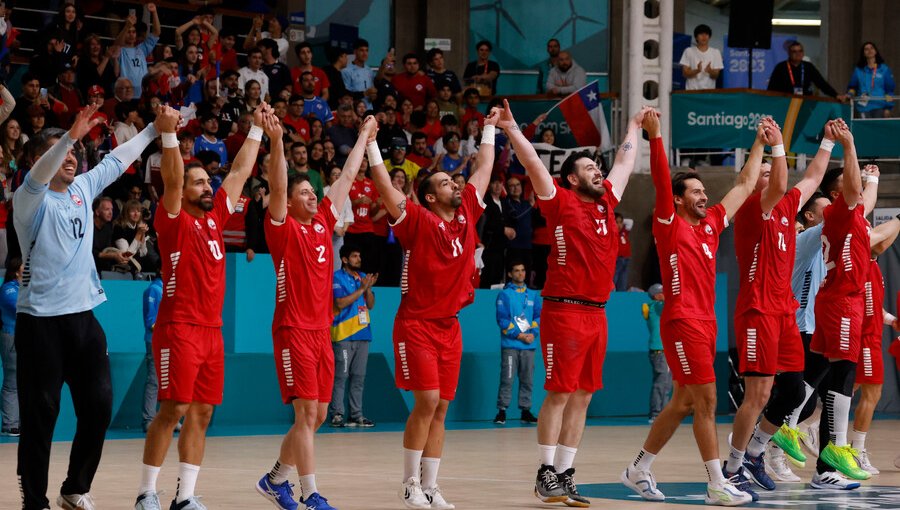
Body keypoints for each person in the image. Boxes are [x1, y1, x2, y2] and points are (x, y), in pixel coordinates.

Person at [500, 100, 646, 507]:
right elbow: (532, 165)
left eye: (597, 168)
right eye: (587, 168)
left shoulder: (606, 203)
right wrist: (513, 130)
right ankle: (545, 471)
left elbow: (625, 162)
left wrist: (634, 125)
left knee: (583, 395)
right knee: (561, 393)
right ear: (570, 177)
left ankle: (564, 473)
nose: (597, 171)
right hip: (563, 310)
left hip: (597, 313)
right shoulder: (559, 200)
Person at [13, 105, 159, 510]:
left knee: (98, 408)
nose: (72, 157)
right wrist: (68, 136)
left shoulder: (81, 189)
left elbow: (117, 159)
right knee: (40, 417)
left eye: (76, 151)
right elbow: (40, 174)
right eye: (64, 152)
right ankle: (35, 500)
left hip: (83, 319)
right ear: (40, 159)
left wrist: (152, 129)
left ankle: (74, 488)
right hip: (40, 323)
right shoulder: (28, 200)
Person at [621, 109, 761, 506]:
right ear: (680, 201)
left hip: (706, 322)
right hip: (682, 321)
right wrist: (657, 136)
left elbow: (747, 183)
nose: (704, 196)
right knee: (707, 401)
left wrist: (761, 144)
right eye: (696, 192)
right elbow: (664, 184)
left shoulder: (713, 223)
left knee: (682, 401)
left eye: (705, 191)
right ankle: (717, 482)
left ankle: (638, 469)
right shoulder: (670, 224)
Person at [367, 105, 497, 510]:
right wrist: (371, 144)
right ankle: (409, 483)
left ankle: (431, 485)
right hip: (416, 325)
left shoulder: (467, 215)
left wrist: (490, 130)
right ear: (428, 195)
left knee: (441, 406)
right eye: (445, 182)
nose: (455, 185)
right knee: (426, 402)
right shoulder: (418, 221)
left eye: (454, 181)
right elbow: (385, 186)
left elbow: (484, 168)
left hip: (449, 326)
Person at [135, 104, 262, 510]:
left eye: (209, 182)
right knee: (173, 408)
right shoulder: (172, 219)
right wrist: (170, 135)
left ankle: (185, 497)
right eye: (200, 183)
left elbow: (240, 172)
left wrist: (256, 129)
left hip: (211, 331)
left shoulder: (214, 218)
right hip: (179, 327)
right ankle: (146, 494)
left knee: (203, 412)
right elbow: (172, 179)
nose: (209, 187)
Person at [254, 114, 376, 510]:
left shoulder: (324, 219)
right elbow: (277, 182)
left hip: (322, 331)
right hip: (292, 329)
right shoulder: (282, 227)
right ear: (288, 202)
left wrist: (363, 137)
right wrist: (275, 141)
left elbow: (346, 177)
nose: (310, 195)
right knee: (306, 412)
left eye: (311, 191)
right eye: (302, 191)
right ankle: (311, 494)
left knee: (318, 415)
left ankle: (274, 480)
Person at [725, 117, 831, 499]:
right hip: (757, 310)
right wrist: (776, 146)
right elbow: (784, 181)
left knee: (792, 393)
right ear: (755, 181)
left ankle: (754, 453)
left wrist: (829, 142)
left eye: (774, 169)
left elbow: (814, 177)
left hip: (784, 312)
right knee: (758, 394)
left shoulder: (787, 206)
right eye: (764, 171)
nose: (772, 174)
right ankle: (733, 466)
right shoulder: (756, 207)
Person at [778, 127, 884, 489]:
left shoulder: (855, 215)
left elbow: (865, 195)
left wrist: (873, 177)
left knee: (820, 371)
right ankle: (837, 447)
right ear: (838, 195)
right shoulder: (840, 213)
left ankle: (790, 427)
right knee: (843, 376)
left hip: (834, 300)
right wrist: (850, 145)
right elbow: (857, 192)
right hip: (842, 301)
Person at [850, 218, 900, 475]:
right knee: (871, 393)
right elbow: (885, 238)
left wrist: (891, 320)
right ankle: (856, 450)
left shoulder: (872, 264)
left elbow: (873, 307)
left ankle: (810, 427)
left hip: (872, 337)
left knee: (852, 389)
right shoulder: (859, 265)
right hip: (864, 339)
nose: (880, 241)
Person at [329, 244, 377, 428]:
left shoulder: (363, 277)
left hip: (363, 333)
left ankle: (356, 415)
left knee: (359, 376)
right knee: (341, 375)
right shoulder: (337, 277)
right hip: (343, 334)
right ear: (344, 259)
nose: (359, 259)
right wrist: (361, 289)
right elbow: (340, 303)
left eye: (359, 255)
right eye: (355, 256)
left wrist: (368, 289)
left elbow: (370, 305)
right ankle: (337, 414)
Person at [493, 260, 541, 426]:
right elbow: (502, 319)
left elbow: (538, 317)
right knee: (507, 378)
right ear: (510, 274)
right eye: (517, 271)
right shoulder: (505, 295)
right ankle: (502, 411)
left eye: (523, 270)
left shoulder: (533, 295)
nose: (520, 273)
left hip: (529, 345)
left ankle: (525, 411)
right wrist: (520, 336)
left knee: (527, 379)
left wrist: (532, 334)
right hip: (511, 345)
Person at [767, 41, 848, 101]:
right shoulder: (781, 67)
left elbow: (821, 83)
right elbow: (771, 89)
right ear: (789, 53)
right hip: (785, 103)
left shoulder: (808, 66)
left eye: (800, 51)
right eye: (794, 51)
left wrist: (836, 95)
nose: (798, 53)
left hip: (805, 103)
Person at [115, 3, 161, 99]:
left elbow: (156, 33)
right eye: (128, 32)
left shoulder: (141, 48)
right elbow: (117, 44)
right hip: (127, 95)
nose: (131, 34)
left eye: (133, 32)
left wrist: (154, 12)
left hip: (143, 95)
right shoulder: (120, 50)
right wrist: (127, 26)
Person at [642, 284, 669, 423]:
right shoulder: (655, 307)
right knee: (661, 382)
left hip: (665, 350)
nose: (665, 294)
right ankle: (656, 414)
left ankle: (663, 413)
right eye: (662, 292)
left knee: (667, 383)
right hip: (659, 351)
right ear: (656, 295)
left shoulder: (658, 306)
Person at [0, 257, 21, 437]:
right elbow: (17, 307)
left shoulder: (27, 288)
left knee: (26, 381)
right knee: (12, 382)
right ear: (16, 271)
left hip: (28, 338)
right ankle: (10, 424)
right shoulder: (8, 289)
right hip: (12, 336)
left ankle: (20, 421)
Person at [846, 42, 895, 119]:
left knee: (878, 130)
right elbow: (852, 87)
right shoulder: (859, 70)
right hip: (863, 107)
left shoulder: (884, 69)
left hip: (879, 106)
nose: (869, 50)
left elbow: (889, 91)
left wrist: (888, 108)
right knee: (865, 130)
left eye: (872, 48)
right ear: (863, 53)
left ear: (875, 51)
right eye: (866, 49)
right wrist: (849, 94)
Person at [141, 273, 163, 433]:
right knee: (154, 380)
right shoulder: (153, 290)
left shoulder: (173, 288)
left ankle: (168, 418)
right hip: (155, 341)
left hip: (171, 342)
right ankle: (149, 419)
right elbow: (151, 322)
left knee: (169, 381)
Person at [679, 24, 723, 91]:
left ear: (709, 37)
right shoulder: (688, 51)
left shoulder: (716, 52)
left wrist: (710, 71)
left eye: (706, 34)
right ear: (696, 37)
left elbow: (716, 76)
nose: (704, 36)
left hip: (709, 92)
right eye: (701, 34)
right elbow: (685, 74)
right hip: (691, 91)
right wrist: (697, 70)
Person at [614, 213, 633, 291]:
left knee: (623, 280)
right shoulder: (611, 233)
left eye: (620, 222)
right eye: (616, 222)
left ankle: (621, 295)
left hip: (626, 259)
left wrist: (620, 221)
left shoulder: (624, 231)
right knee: (614, 279)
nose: (619, 225)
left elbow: (630, 221)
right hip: (616, 259)